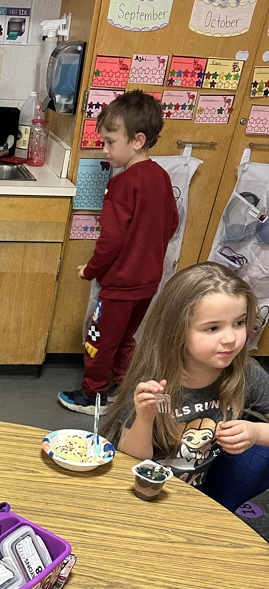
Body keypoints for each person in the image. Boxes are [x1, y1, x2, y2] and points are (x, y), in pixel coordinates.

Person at [102, 262, 269, 507]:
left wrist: (256, 433)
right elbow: (132, 459)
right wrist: (144, 419)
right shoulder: (153, 381)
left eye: (239, 323)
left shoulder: (246, 374)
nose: (231, 338)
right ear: (178, 330)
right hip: (138, 493)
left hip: (192, 499)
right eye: (213, 328)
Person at [59, 90, 179, 416]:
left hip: (120, 285)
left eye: (111, 142)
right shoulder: (161, 177)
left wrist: (91, 270)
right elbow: (172, 222)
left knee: (99, 340)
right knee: (126, 338)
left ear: (137, 140)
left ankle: (92, 396)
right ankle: (121, 388)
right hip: (148, 282)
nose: (105, 149)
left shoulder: (123, 184)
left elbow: (110, 241)